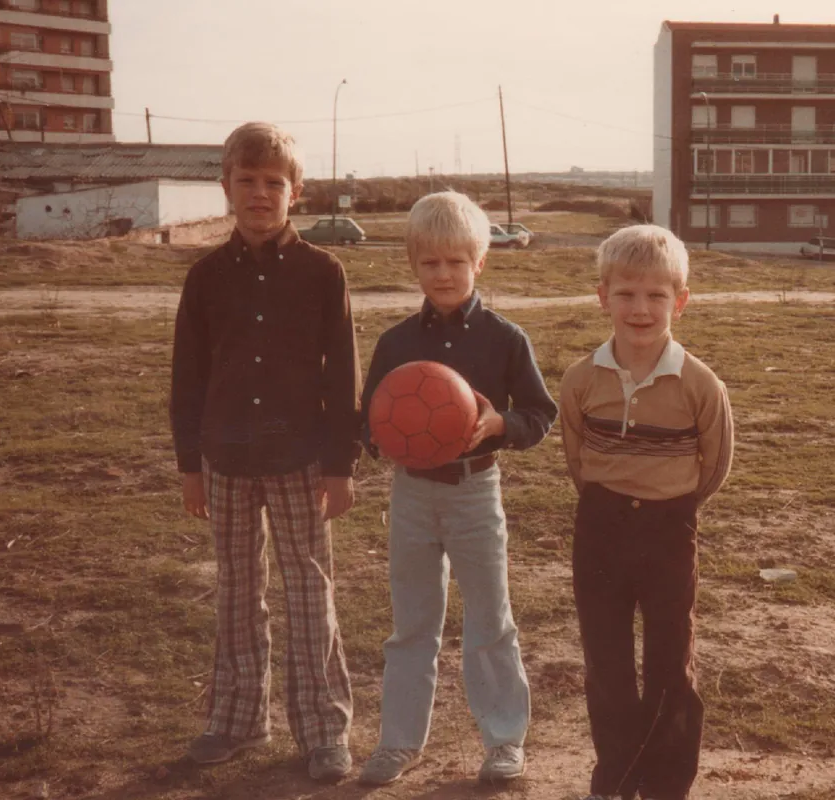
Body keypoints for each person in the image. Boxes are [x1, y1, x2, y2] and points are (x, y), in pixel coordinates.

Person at [169, 122, 360, 782]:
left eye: (273, 183)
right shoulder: (204, 278)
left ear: (296, 193)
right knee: (237, 592)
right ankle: (237, 718)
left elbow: (343, 379)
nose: (259, 193)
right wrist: (189, 465)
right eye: (246, 181)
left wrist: (340, 466)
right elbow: (187, 377)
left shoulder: (322, 273)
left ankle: (324, 730)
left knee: (310, 593)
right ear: (226, 188)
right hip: (224, 460)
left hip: (301, 459)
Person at [356, 191, 557, 786]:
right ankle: (398, 743)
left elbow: (540, 414)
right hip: (412, 495)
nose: (443, 275)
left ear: (480, 262)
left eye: (456, 262)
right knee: (412, 622)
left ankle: (502, 741)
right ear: (414, 264)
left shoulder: (504, 338)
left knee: (490, 618)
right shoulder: (395, 343)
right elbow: (367, 417)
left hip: (475, 492)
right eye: (430, 263)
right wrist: (378, 439)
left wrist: (500, 426)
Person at [559, 224, 734, 800]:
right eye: (626, 293)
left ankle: (665, 786)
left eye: (656, 295)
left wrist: (668, 503)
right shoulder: (581, 380)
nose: (640, 308)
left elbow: (714, 466)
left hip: (668, 530)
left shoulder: (700, 384)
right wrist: (616, 502)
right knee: (606, 668)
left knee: (668, 670)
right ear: (602, 296)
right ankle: (616, 780)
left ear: (679, 303)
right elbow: (577, 458)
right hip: (601, 531)